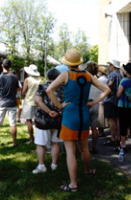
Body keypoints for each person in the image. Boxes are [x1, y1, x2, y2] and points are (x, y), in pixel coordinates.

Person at [46, 49, 110, 192]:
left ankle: (73, 184)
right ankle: (87, 171)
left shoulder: (65, 74)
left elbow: (49, 89)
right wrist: (94, 103)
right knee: (84, 148)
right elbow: (106, 90)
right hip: (84, 115)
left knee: (70, 152)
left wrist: (59, 105)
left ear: (67, 63)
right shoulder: (87, 75)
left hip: (70, 116)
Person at [32, 68, 64, 174]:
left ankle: (41, 166)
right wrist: (58, 112)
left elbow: (38, 101)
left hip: (43, 119)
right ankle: (54, 165)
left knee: (41, 144)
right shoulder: (62, 88)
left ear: (47, 76)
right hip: (58, 119)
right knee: (55, 143)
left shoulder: (42, 86)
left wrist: (48, 111)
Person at [0, 59, 20, 147]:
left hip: (1, 102)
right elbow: (16, 90)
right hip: (12, 102)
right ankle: (14, 142)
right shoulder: (14, 77)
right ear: (10, 67)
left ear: (2, 66)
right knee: (13, 124)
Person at [116, 62, 131, 152]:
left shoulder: (124, 81)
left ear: (127, 71)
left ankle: (123, 145)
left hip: (124, 106)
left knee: (123, 125)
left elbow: (118, 94)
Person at [103, 60, 123, 147]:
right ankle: (118, 138)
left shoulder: (112, 74)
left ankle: (113, 138)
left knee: (111, 120)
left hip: (110, 100)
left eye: (110, 65)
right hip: (118, 100)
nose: (109, 66)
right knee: (117, 120)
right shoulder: (120, 75)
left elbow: (110, 84)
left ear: (114, 66)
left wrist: (104, 89)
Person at [22, 64, 42, 144]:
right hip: (38, 101)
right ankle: (38, 138)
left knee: (29, 121)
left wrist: (24, 97)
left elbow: (23, 92)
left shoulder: (28, 79)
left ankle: (32, 139)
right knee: (37, 120)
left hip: (29, 101)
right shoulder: (40, 80)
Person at [85, 61, 101, 154]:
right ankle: (94, 147)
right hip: (95, 104)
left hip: (86, 104)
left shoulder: (85, 79)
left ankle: (85, 147)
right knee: (94, 128)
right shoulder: (97, 80)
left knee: (85, 128)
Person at [97, 66, 109, 137]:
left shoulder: (100, 79)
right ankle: (102, 131)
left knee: (100, 117)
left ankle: (100, 132)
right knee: (104, 117)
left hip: (100, 99)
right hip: (106, 99)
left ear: (100, 72)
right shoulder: (106, 79)